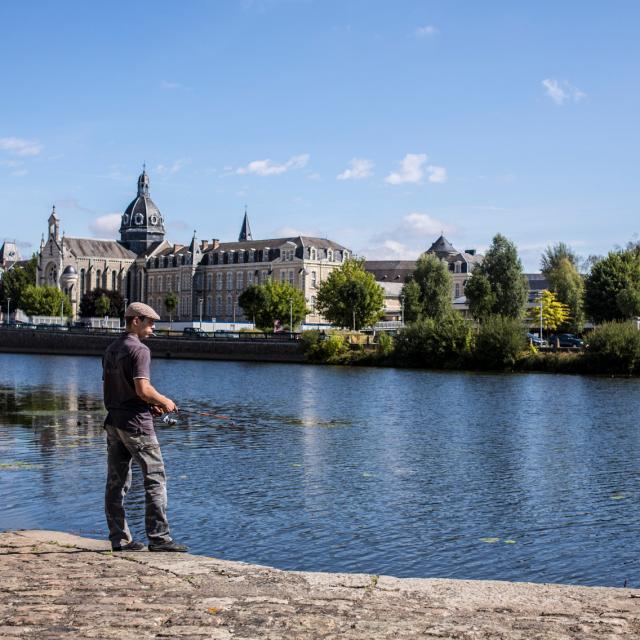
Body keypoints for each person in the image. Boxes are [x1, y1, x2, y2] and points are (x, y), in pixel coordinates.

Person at [102, 301, 187, 552]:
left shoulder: (111, 348)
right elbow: (142, 388)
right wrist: (165, 402)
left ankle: (119, 539)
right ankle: (159, 538)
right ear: (135, 320)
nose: (152, 328)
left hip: (114, 423)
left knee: (116, 483)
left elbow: (120, 389)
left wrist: (150, 405)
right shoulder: (139, 350)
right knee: (155, 478)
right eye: (150, 323)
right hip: (137, 426)